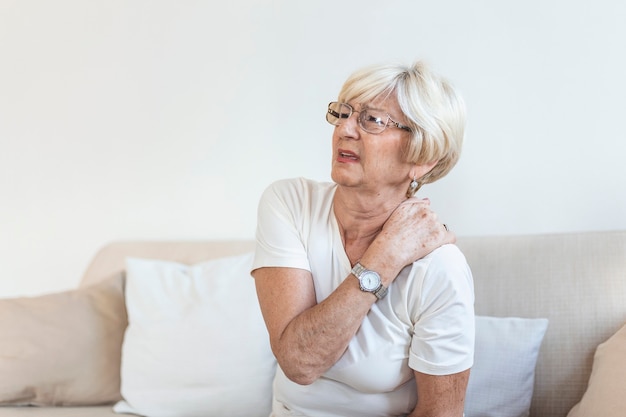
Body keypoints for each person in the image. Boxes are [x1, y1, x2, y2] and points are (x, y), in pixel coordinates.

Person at [251, 61, 474, 417]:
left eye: (372, 120)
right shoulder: (290, 203)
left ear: (424, 157)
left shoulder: (440, 268)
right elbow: (299, 362)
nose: (345, 129)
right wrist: (385, 256)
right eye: (343, 113)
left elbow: (440, 413)